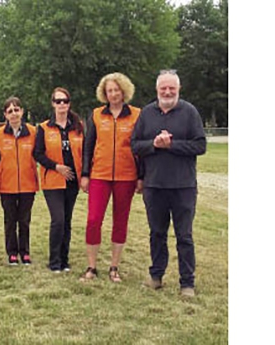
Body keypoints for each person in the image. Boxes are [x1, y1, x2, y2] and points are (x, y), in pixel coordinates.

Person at [131, 70, 206, 297]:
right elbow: (135, 145)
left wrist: (171, 145)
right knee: (157, 234)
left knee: (184, 236)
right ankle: (156, 276)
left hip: (183, 186)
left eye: (171, 88)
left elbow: (200, 146)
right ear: (157, 90)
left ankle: (187, 283)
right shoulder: (147, 113)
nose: (167, 91)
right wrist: (154, 144)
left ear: (178, 89)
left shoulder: (189, 112)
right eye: (163, 88)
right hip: (155, 186)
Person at [79, 72, 143, 282]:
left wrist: (140, 176)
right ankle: (91, 267)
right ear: (104, 94)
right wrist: (86, 174)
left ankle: (114, 267)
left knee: (120, 221)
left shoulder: (136, 115)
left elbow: (140, 149)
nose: (113, 94)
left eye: (116, 90)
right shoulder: (97, 115)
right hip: (100, 175)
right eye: (109, 91)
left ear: (123, 91)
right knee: (93, 219)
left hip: (126, 176)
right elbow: (88, 146)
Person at [33, 87, 84, 273]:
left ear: (69, 104)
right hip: (53, 181)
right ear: (52, 103)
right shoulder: (44, 127)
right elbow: (37, 154)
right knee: (58, 220)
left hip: (72, 182)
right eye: (58, 101)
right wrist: (57, 167)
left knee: (67, 221)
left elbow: (84, 152)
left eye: (65, 101)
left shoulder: (77, 127)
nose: (61, 104)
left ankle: (64, 259)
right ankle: (54, 261)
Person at [0, 97, 38, 266]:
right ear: (5, 115)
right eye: (10, 111)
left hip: (28, 183)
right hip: (7, 184)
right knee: (10, 220)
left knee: (25, 220)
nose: (14, 114)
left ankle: (25, 252)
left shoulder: (33, 132)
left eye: (16, 110)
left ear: (22, 112)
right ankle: (12, 252)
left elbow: (38, 153)